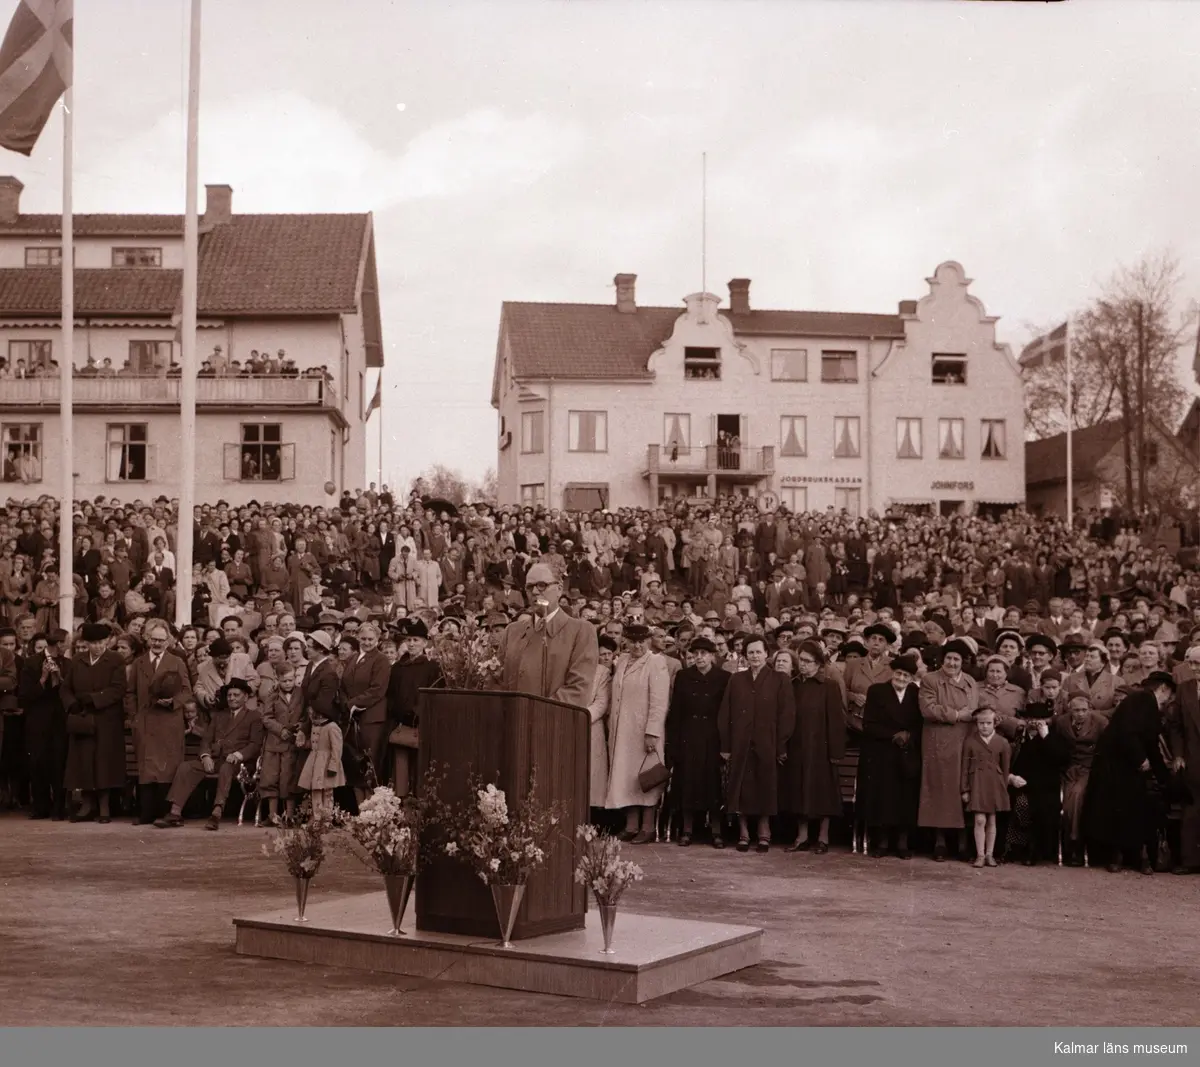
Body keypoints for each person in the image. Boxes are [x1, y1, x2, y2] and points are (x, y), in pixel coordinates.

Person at [1082, 671, 1175, 875]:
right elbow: (1128, 732)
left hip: (1122, 765)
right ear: (1162, 689)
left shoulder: (1141, 701)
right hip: (1117, 765)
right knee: (1124, 807)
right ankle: (1125, 857)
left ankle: (1127, 857)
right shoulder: (1143, 699)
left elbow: (1149, 742)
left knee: (1128, 808)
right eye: (1168, 696)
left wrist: (1162, 776)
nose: (1167, 701)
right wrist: (1141, 759)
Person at [718, 635, 795, 853]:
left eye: (758, 652)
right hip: (740, 743)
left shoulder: (779, 679)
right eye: (750, 652)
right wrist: (726, 746)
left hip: (767, 742)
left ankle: (764, 833)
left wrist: (780, 745)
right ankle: (743, 834)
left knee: (765, 787)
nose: (754, 656)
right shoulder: (736, 680)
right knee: (741, 787)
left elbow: (787, 715)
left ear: (767, 654)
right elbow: (725, 714)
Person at [156, 677, 264, 830]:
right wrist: (205, 756)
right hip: (216, 759)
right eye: (229, 695)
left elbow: (255, 745)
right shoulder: (219, 716)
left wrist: (238, 755)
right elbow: (206, 740)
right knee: (186, 767)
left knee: (226, 768)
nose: (232, 698)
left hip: (241, 764)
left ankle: (216, 813)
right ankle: (175, 813)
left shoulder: (254, 716)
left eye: (236, 695)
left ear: (246, 697)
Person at [495, 562, 599, 708]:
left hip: (554, 725)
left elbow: (578, 690)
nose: (535, 592)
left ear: (560, 589)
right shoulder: (512, 631)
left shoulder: (581, 631)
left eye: (542, 585)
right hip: (512, 724)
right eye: (529, 587)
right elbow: (496, 682)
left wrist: (532, 713)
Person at [604, 623, 670, 843]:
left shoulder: (656, 662)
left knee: (647, 778)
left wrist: (652, 731)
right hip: (623, 731)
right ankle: (631, 825)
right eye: (633, 641)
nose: (637, 646)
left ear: (648, 641)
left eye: (641, 641)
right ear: (626, 641)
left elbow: (660, 701)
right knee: (627, 778)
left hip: (644, 731)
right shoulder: (621, 661)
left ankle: (648, 827)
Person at [781, 640, 846, 855]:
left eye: (808, 662)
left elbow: (836, 722)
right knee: (800, 791)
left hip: (821, 749)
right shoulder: (794, 685)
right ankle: (802, 837)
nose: (803, 665)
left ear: (818, 664)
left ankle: (823, 837)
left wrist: (835, 753)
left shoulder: (829, 686)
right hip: (799, 748)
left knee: (822, 793)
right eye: (801, 661)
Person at [665, 635, 730, 848]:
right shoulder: (683, 676)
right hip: (688, 737)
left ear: (713, 656)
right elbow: (676, 712)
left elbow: (727, 713)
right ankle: (687, 830)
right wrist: (673, 743)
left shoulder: (724, 677)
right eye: (696, 654)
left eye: (704, 654)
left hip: (712, 738)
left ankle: (716, 831)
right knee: (687, 783)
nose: (699, 658)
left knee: (712, 785)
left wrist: (725, 744)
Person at [60, 622, 127, 823]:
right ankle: (87, 804)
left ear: (107, 641)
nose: (97, 646)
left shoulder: (115, 660)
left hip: (107, 719)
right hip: (82, 717)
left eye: (100, 642)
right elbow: (65, 688)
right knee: (83, 761)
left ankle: (104, 806)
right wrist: (71, 704)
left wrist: (96, 699)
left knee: (104, 762)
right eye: (92, 643)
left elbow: (118, 689)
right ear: (86, 643)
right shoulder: (77, 660)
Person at [918, 638, 978, 861]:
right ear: (942, 660)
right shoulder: (930, 680)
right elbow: (928, 709)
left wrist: (966, 716)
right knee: (939, 790)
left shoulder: (971, 682)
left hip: (965, 741)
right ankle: (940, 843)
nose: (952, 663)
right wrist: (956, 715)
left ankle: (962, 844)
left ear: (963, 662)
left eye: (957, 659)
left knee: (961, 789)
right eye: (949, 659)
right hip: (938, 742)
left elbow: (974, 710)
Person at [857, 652, 922, 858]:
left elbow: (920, 723)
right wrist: (894, 735)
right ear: (892, 672)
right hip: (882, 753)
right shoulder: (877, 691)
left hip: (906, 754)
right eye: (899, 674)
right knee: (883, 798)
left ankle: (902, 844)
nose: (901, 679)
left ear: (912, 678)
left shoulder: (915, 693)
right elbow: (869, 724)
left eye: (906, 676)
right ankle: (882, 843)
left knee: (905, 798)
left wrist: (909, 736)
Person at [130, 619, 193, 825]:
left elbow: (186, 691)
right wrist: (135, 717)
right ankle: (145, 813)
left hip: (169, 722)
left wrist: (172, 702)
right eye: (154, 639)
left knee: (167, 768)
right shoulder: (138, 663)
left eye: (161, 640)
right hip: (146, 722)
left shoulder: (177, 662)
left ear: (168, 641)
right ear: (148, 639)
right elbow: (130, 693)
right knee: (147, 768)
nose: (157, 643)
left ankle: (165, 813)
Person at [1054, 694, 1108, 866]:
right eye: (1076, 710)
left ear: (1090, 709)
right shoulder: (1061, 722)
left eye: (1084, 710)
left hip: (1089, 767)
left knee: (1076, 800)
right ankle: (1070, 849)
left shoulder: (1100, 722)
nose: (1080, 714)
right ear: (1070, 709)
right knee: (1068, 806)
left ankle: (1076, 844)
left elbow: (1107, 747)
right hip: (1068, 768)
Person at [19, 629, 68, 820]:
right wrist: (43, 678)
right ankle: (40, 806)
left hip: (59, 722)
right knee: (38, 763)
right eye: (66, 643)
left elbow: (69, 691)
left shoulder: (67, 663)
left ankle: (58, 807)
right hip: (38, 721)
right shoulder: (31, 663)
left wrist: (61, 678)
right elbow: (24, 696)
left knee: (59, 762)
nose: (68, 647)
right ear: (58, 644)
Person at [961, 708, 1018, 869]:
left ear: (995, 723)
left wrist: (1004, 788)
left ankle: (990, 855)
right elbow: (965, 767)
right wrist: (964, 789)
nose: (984, 726)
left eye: (988, 723)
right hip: (977, 783)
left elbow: (1005, 768)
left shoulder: (1002, 742)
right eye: (981, 723)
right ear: (976, 724)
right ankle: (979, 854)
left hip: (994, 784)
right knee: (979, 820)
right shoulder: (970, 741)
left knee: (992, 820)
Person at [340, 621, 390, 798]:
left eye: (370, 639)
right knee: (354, 764)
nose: (367, 642)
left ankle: (372, 811)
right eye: (363, 639)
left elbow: (378, 690)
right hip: (353, 718)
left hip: (371, 718)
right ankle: (360, 812)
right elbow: (344, 685)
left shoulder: (381, 660)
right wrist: (347, 703)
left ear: (377, 640)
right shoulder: (353, 658)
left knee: (370, 764)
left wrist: (353, 703)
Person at [1169, 668, 1200, 874]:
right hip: (1193, 758)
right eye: (1192, 663)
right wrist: (1178, 755)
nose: (1195, 668)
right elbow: (1176, 726)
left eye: (1199, 663)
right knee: (1192, 807)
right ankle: (1190, 860)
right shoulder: (1184, 689)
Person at [297, 696, 344, 820]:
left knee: (327, 791)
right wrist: (304, 743)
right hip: (315, 762)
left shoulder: (332, 727)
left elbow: (337, 749)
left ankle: (327, 818)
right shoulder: (315, 726)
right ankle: (317, 817)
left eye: (313, 715)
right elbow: (314, 744)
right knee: (316, 790)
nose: (311, 718)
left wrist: (333, 766)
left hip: (327, 763)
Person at [585, 635, 614, 816]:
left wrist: (582, 716)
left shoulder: (601, 672)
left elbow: (602, 703)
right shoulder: (568, 668)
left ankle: (595, 816)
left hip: (591, 725)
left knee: (594, 775)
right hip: (569, 724)